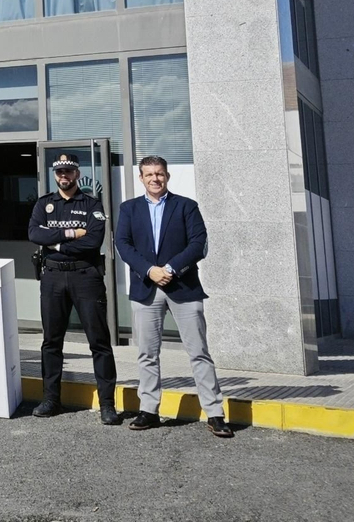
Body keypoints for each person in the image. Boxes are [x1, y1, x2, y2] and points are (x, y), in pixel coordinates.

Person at [114, 156, 234, 438]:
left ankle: (215, 413)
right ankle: (149, 410)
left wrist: (169, 269)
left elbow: (198, 243)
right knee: (147, 354)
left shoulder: (186, 206)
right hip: (147, 288)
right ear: (141, 178)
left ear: (167, 176)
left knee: (199, 353)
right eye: (149, 174)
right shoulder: (129, 209)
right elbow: (123, 244)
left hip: (183, 288)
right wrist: (149, 270)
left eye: (159, 174)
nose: (155, 179)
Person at [27, 153, 119, 424]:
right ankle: (51, 399)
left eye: (68, 171)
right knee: (51, 342)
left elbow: (92, 241)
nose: (63, 176)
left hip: (85, 276)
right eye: (59, 172)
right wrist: (69, 234)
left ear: (77, 174)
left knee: (99, 342)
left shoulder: (91, 204)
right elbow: (34, 234)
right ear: (55, 175)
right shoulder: (44, 204)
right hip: (53, 277)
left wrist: (54, 242)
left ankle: (107, 405)